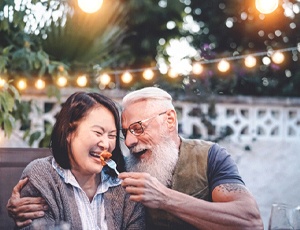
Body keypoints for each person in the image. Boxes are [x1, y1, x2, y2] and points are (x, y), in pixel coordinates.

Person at [7, 87, 263, 230]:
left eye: (138, 128)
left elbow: (250, 221)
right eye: (126, 132)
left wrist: (164, 198)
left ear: (170, 120)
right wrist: (19, 213)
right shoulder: (124, 173)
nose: (127, 142)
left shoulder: (211, 157)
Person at [7, 92, 145, 229]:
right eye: (98, 132)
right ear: (69, 132)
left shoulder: (125, 183)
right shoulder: (42, 176)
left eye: (112, 135)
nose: (105, 144)